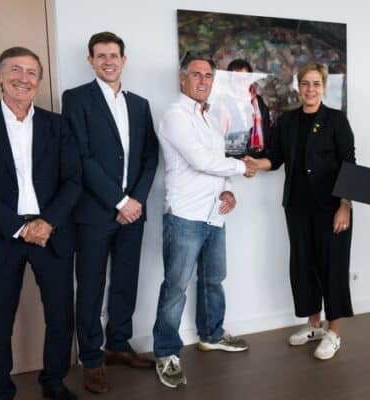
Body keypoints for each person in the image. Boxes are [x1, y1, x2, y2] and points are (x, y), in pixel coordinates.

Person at [0, 47, 81, 400]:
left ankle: (53, 382)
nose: (23, 78)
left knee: (60, 316)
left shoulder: (58, 125)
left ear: (38, 81)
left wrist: (47, 222)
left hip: (51, 234)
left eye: (31, 72)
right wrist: (20, 227)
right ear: (0, 75)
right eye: (15, 70)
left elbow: (73, 180)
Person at [61, 32, 159, 394]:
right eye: (100, 56)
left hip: (134, 213)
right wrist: (119, 201)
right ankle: (91, 358)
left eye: (113, 55)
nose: (108, 61)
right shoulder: (75, 99)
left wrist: (136, 200)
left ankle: (118, 344)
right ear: (90, 61)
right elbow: (80, 157)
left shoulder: (140, 104)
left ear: (124, 60)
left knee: (125, 281)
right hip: (94, 212)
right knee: (90, 286)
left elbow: (150, 156)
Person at [152, 51, 255, 389]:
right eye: (196, 74)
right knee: (176, 286)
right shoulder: (175, 116)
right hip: (184, 215)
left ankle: (211, 334)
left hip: (214, 213)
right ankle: (167, 352)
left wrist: (228, 190)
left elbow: (217, 161)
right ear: (182, 79)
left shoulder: (209, 117)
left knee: (213, 279)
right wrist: (242, 167)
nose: (202, 81)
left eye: (208, 75)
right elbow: (200, 161)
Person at [245, 62, 355, 360]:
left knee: (332, 268)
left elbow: (349, 164)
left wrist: (345, 205)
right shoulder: (288, 121)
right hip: (297, 207)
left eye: (316, 83)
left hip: (332, 207)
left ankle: (334, 333)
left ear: (324, 87)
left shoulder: (336, 120)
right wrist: (255, 164)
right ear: (298, 86)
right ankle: (314, 325)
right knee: (304, 267)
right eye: (305, 83)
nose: (310, 89)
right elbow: (275, 158)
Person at [219, 59, 271, 157]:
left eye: (244, 78)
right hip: (230, 159)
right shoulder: (222, 103)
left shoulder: (258, 101)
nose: (240, 82)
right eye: (236, 78)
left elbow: (266, 129)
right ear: (229, 80)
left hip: (256, 158)